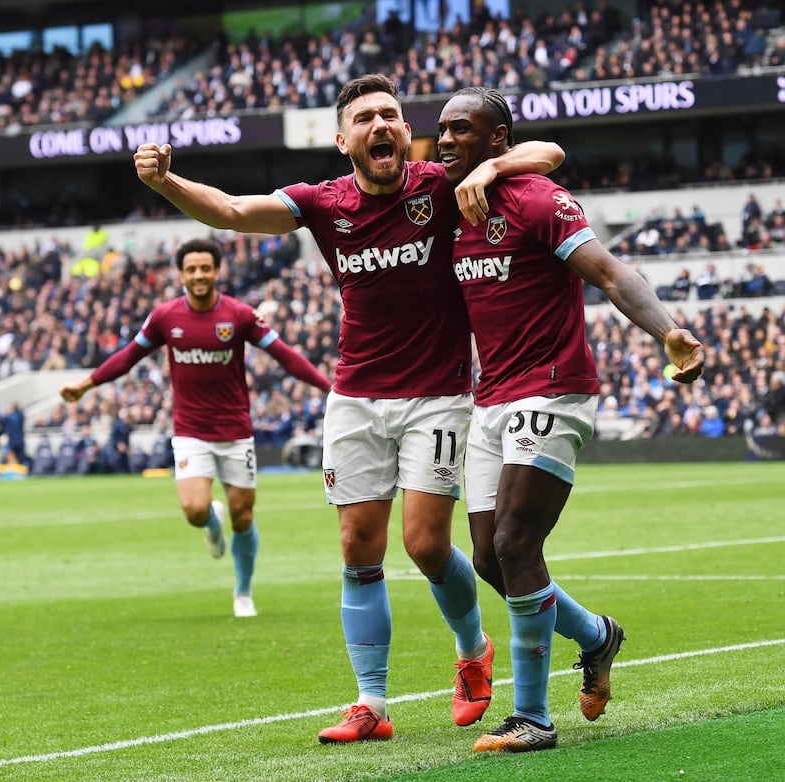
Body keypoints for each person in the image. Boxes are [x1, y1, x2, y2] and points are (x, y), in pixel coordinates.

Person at [132, 73, 564, 743]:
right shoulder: (322, 201)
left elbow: (549, 155)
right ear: (344, 140)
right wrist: (166, 183)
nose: (380, 124)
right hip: (356, 396)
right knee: (358, 549)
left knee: (424, 545)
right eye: (365, 118)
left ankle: (472, 650)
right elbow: (233, 212)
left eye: (390, 114)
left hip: (437, 395)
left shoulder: (437, 185)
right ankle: (371, 704)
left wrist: (497, 165)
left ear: (404, 130)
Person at [436, 87, 705, 753]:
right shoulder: (447, 204)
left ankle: (533, 717)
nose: (445, 140)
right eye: (440, 129)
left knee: (516, 546)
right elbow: (544, 147)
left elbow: (611, 274)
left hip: (552, 388)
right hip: (491, 397)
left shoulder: (535, 199)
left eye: (461, 130)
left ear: (497, 139)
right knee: (489, 560)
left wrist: (669, 332)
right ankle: (595, 635)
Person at [60, 238, 332, 618]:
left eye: (206, 268)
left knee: (244, 517)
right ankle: (210, 522)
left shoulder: (239, 315)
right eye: (192, 269)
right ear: (182, 273)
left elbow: (284, 355)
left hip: (235, 431)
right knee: (193, 509)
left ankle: (243, 591)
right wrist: (86, 383)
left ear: (217, 271)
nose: (199, 275)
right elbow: (128, 357)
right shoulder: (164, 317)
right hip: (189, 431)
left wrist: (329, 388)